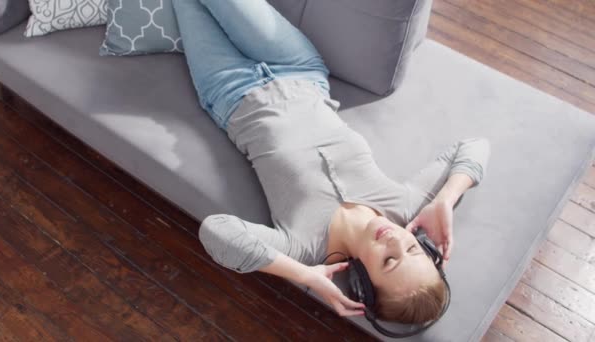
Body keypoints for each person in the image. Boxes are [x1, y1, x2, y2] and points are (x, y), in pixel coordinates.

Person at [172, 0, 490, 324]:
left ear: (362, 282)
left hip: (229, 88)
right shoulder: (408, 208)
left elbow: (216, 232)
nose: (395, 240)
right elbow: (475, 147)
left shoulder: (304, 249)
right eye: (412, 250)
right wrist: (446, 201)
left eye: (389, 261)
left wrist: (305, 275)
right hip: (298, 66)